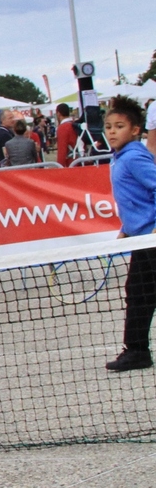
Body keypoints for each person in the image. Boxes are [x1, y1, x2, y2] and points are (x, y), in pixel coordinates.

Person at [104, 96, 156, 372]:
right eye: (109, 126)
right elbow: (137, 199)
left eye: (119, 126)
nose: (112, 131)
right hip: (141, 239)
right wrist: (126, 229)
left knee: (140, 293)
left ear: (135, 130)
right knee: (138, 293)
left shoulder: (134, 156)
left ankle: (136, 349)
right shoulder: (120, 158)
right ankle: (136, 351)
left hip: (153, 239)